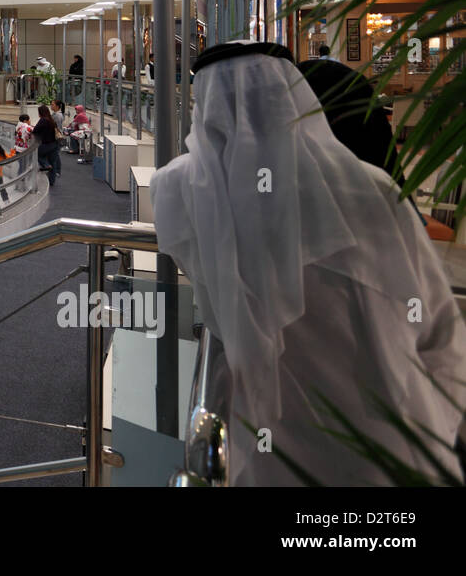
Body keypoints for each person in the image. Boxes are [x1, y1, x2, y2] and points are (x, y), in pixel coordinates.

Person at [149, 41, 466, 486]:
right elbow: (440, 332)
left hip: (273, 453)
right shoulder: (372, 186)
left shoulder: (181, 190)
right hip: (393, 436)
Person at [33, 104, 61, 186]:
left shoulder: (43, 120)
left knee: (37, 154)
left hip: (46, 144)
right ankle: (52, 181)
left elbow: (35, 131)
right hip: (54, 144)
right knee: (53, 162)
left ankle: (45, 164)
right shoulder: (51, 120)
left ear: (40, 112)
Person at [13, 113, 35, 189]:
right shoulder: (27, 127)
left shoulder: (17, 126)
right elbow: (34, 131)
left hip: (17, 149)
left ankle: (18, 184)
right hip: (23, 150)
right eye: (29, 120)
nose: (30, 121)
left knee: (21, 166)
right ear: (25, 120)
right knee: (23, 168)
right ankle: (20, 184)